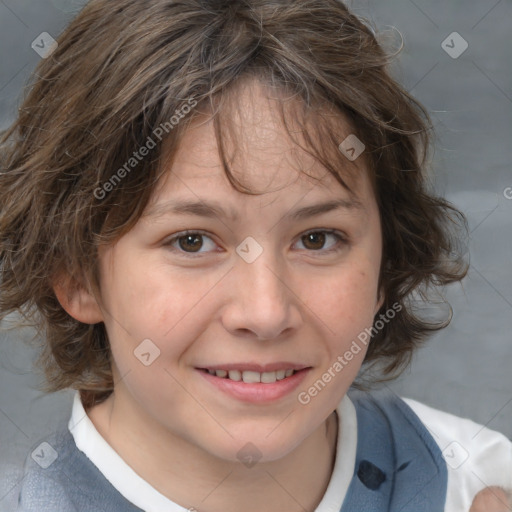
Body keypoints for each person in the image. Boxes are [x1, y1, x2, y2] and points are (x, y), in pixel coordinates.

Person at [0, 1, 510, 511]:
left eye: (317, 239)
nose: (266, 313)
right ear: (75, 274)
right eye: (192, 241)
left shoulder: (479, 482)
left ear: (387, 261)